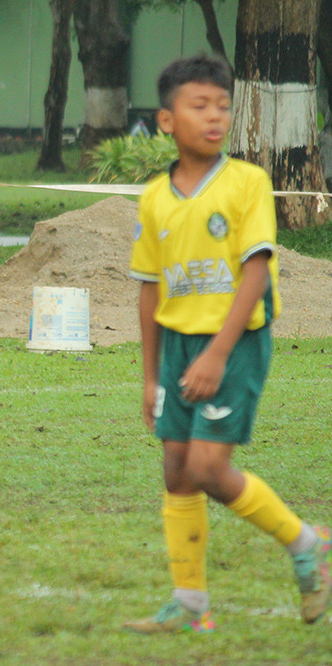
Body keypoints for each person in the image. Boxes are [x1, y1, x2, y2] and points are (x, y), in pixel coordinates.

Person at [124, 54, 330, 634]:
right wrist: (149, 376)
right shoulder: (154, 199)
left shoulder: (247, 182)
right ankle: (190, 605)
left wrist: (217, 354)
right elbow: (148, 291)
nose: (214, 117)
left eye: (222, 106)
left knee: (210, 467)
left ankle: (307, 543)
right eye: (199, 106)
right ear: (167, 120)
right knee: (175, 467)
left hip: (236, 342)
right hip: (179, 348)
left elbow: (256, 271)